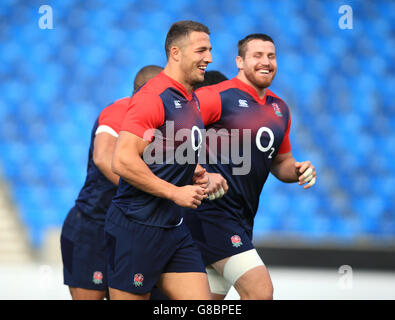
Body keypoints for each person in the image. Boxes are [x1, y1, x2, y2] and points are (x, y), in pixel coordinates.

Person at [184, 33, 317, 300]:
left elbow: (281, 162)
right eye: (257, 55)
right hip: (211, 212)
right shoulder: (215, 96)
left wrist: (299, 169)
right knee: (260, 290)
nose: (266, 62)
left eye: (271, 56)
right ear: (240, 62)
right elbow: (174, 137)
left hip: (242, 217)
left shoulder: (279, 109)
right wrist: (201, 172)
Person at [104, 20, 214, 300]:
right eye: (201, 50)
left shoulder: (191, 99)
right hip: (136, 228)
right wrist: (174, 191)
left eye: (210, 50)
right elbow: (122, 160)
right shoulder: (153, 97)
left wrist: (192, 171)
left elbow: (163, 152)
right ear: (175, 52)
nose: (209, 59)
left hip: (174, 230)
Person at [60, 65, 163, 300]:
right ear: (147, 92)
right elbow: (103, 157)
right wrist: (155, 190)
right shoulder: (122, 110)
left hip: (136, 230)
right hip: (93, 226)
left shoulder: (165, 121)